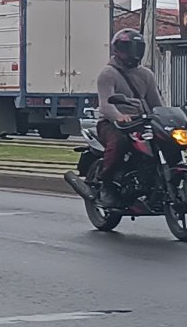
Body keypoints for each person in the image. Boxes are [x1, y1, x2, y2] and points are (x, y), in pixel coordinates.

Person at [69, 29, 163, 209]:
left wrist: (170, 119)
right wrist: (120, 117)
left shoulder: (146, 75)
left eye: (135, 48)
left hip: (141, 122)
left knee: (164, 143)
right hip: (111, 123)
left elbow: (157, 104)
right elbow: (106, 105)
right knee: (119, 143)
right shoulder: (108, 74)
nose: (131, 53)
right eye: (127, 48)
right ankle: (107, 184)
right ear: (117, 50)